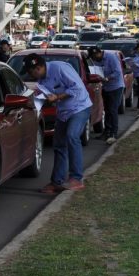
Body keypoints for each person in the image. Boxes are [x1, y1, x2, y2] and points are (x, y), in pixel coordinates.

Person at [23, 53, 92, 193]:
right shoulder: (41, 82)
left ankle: (76, 178)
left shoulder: (60, 68)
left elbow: (77, 87)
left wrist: (58, 96)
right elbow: (44, 97)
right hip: (63, 113)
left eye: (31, 72)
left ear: (39, 67)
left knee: (72, 136)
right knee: (59, 145)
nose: (31, 76)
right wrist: (35, 101)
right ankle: (57, 182)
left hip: (80, 107)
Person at [87, 46, 124, 145]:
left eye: (93, 57)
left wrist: (108, 78)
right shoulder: (97, 60)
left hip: (115, 87)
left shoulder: (111, 57)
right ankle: (106, 132)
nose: (93, 59)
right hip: (106, 87)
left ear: (98, 53)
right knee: (107, 110)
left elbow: (118, 72)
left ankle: (113, 134)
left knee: (113, 110)